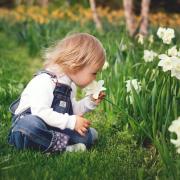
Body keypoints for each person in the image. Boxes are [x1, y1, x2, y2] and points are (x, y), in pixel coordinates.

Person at [8, 33, 106, 154]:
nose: (94, 78)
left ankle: (50, 144)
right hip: (27, 128)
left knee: (86, 136)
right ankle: (64, 149)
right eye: (93, 73)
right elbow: (40, 112)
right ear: (75, 65)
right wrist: (71, 122)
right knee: (30, 125)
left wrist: (90, 102)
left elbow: (71, 111)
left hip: (52, 128)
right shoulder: (45, 81)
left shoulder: (70, 85)